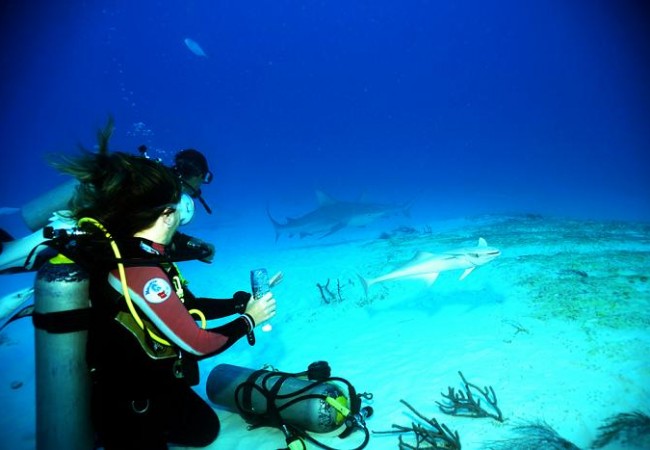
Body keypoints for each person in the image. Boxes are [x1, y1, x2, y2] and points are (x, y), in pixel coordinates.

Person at [48, 130, 277, 449]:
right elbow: (197, 343)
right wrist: (249, 321)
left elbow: (188, 305)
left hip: (146, 376)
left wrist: (237, 303)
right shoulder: (141, 272)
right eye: (176, 207)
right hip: (125, 396)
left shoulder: (146, 254)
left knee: (203, 430)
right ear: (167, 213)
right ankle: (115, 432)